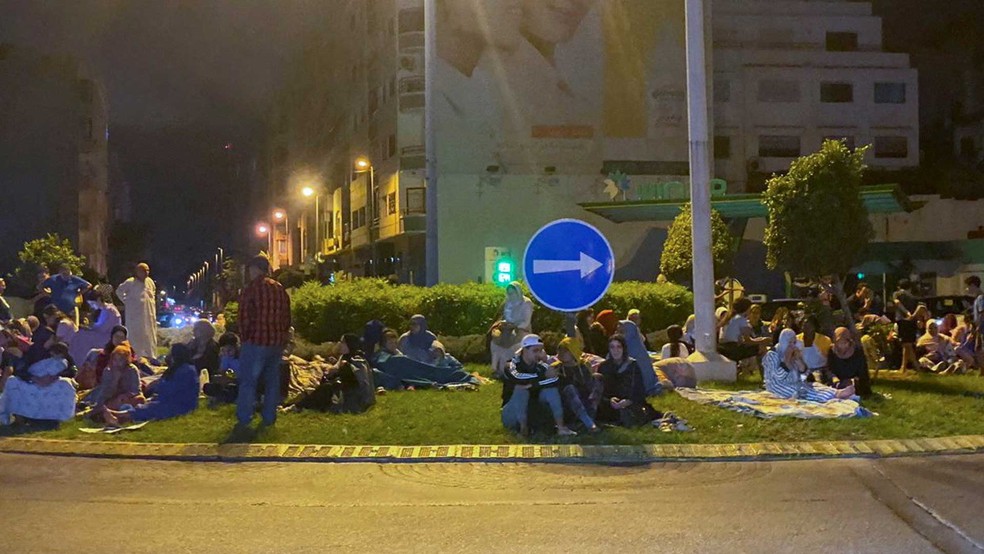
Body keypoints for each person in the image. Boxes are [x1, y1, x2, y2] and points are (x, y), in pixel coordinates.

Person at [235, 255, 292, 428]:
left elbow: (244, 317)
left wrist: (244, 338)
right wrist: (282, 337)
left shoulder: (251, 289)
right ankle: (269, 417)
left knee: (248, 382)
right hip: (275, 342)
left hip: (255, 342)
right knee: (272, 382)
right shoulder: (279, 288)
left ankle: (245, 417)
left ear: (254, 269)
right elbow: (287, 316)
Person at [100, 343, 200, 426]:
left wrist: (159, 386)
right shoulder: (177, 368)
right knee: (147, 406)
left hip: (180, 404)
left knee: (152, 408)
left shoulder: (186, 370)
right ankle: (118, 417)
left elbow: (173, 389)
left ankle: (118, 416)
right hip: (169, 400)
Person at [501, 334, 576, 437]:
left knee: (551, 391)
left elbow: (555, 379)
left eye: (541, 351)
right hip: (512, 412)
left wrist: (533, 385)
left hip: (532, 409)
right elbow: (518, 378)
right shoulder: (511, 365)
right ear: (525, 350)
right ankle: (523, 429)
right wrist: (542, 377)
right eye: (535, 351)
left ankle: (561, 427)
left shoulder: (540, 365)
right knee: (521, 391)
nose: (539, 354)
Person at [764, 329, 855, 402]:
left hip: (795, 382)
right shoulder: (772, 355)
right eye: (789, 343)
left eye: (794, 342)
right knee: (800, 391)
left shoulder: (795, 352)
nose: (792, 346)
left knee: (814, 385)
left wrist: (799, 361)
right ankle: (832, 396)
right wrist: (787, 361)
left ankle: (836, 392)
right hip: (778, 386)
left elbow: (804, 375)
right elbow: (778, 376)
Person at [298, 334, 376, 414]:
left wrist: (345, 367)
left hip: (354, 398)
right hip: (343, 390)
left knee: (326, 389)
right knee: (322, 388)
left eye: (342, 342)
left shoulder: (358, 359)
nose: (340, 344)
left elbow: (360, 382)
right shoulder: (344, 357)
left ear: (349, 344)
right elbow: (335, 372)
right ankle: (298, 405)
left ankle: (298, 406)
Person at [596, 334, 660, 427]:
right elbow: (602, 391)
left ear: (624, 348)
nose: (615, 351)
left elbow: (639, 390)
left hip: (630, 402)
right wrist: (610, 400)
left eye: (619, 347)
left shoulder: (632, 365)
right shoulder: (604, 366)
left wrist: (628, 401)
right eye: (612, 347)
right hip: (610, 404)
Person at [0, 355, 77, 426]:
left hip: (54, 381)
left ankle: (56, 419)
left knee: (65, 384)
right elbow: (19, 370)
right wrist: (34, 378)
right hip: (31, 381)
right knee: (12, 381)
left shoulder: (62, 353)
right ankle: (20, 418)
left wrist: (54, 376)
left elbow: (72, 370)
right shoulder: (32, 352)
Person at [553, 337, 601, 432]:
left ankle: (588, 419)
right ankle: (588, 423)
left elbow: (589, 386)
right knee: (570, 389)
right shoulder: (556, 368)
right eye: (560, 350)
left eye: (566, 350)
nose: (561, 353)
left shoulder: (583, 366)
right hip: (568, 405)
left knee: (598, 377)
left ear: (573, 351)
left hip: (586, 400)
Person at [115, 263, 159, 360]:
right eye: (143, 271)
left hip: (149, 315)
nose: (146, 273)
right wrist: (128, 302)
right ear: (137, 272)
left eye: (147, 270)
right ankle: (135, 357)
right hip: (135, 317)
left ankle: (150, 357)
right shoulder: (130, 282)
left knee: (149, 336)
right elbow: (119, 291)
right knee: (135, 337)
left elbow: (153, 295)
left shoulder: (150, 282)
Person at [490, 282, 534, 377]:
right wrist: (503, 324)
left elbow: (526, 321)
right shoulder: (508, 302)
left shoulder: (526, 303)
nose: (511, 296)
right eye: (509, 293)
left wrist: (515, 327)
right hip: (508, 328)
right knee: (496, 340)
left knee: (512, 341)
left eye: (512, 293)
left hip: (522, 329)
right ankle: (496, 368)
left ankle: (508, 369)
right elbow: (507, 317)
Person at [69, 289, 121, 364]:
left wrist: (90, 328)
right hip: (103, 334)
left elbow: (103, 328)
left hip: (108, 337)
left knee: (81, 336)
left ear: (99, 300)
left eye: (92, 304)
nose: (92, 306)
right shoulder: (105, 310)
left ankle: (79, 361)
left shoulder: (110, 310)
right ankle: (77, 359)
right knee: (80, 333)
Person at [76, 325, 131, 390]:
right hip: (96, 388)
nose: (118, 339)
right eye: (116, 336)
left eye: (122, 337)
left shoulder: (129, 357)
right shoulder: (98, 354)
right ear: (112, 337)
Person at [90, 345, 144, 411]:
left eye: (121, 360)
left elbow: (136, 390)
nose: (118, 363)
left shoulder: (132, 370)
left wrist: (126, 395)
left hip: (128, 398)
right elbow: (105, 393)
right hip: (113, 399)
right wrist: (115, 380)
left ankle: (125, 410)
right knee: (110, 404)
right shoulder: (108, 371)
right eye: (115, 360)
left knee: (140, 399)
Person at [719, 298, 771, 363]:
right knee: (762, 347)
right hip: (732, 350)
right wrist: (763, 340)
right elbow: (748, 341)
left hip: (724, 347)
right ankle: (765, 369)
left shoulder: (730, 318)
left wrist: (759, 339)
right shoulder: (741, 320)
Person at [618, 319, 660, 395]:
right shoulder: (623, 347)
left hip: (642, 385)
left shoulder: (635, 349)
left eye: (622, 332)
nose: (618, 335)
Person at [826, 327, 872, 397]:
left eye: (844, 342)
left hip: (855, 384)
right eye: (839, 343)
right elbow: (829, 369)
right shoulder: (832, 351)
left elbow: (863, 372)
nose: (842, 345)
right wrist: (834, 379)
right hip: (839, 383)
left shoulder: (857, 351)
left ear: (849, 342)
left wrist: (852, 381)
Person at [204, 332, 242, 405]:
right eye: (223, 350)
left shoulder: (241, 359)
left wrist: (231, 377)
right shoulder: (225, 358)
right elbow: (223, 371)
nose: (226, 353)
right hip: (230, 380)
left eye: (229, 350)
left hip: (240, 382)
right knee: (209, 386)